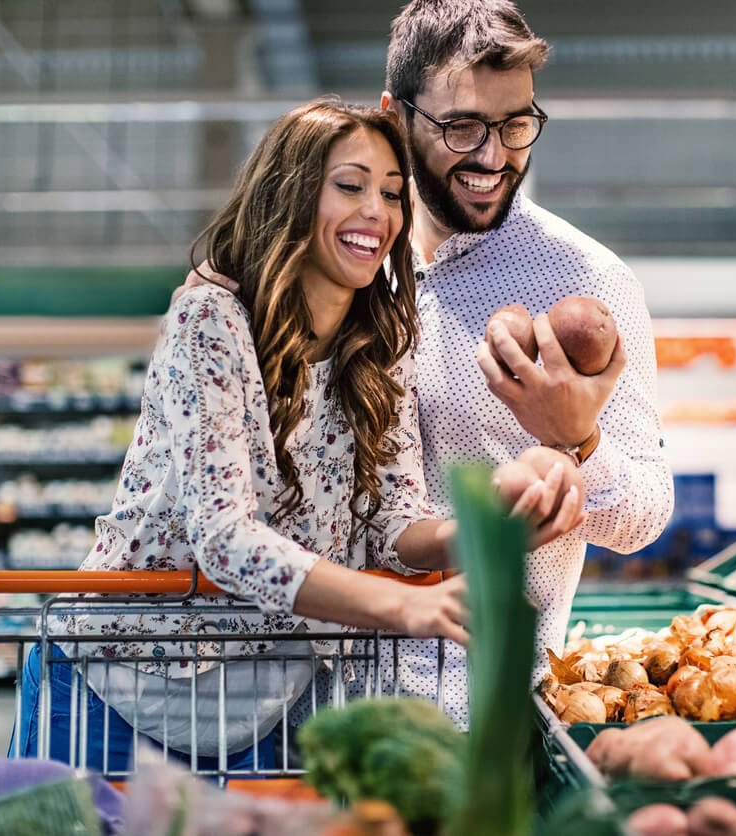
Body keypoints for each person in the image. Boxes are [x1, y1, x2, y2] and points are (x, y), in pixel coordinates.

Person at [13, 99, 583, 772]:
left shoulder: (380, 345)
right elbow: (224, 538)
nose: (378, 210)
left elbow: (391, 526)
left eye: (393, 194)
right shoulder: (212, 321)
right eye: (350, 186)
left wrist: (488, 530)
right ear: (291, 195)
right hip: (116, 680)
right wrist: (405, 606)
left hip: (263, 699)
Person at [187, 0, 674, 728]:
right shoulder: (335, 265)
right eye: (460, 127)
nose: (492, 156)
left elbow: (644, 518)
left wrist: (579, 441)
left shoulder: (588, 285)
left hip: (481, 711)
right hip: (284, 709)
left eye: (515, 125)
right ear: (394, 118)